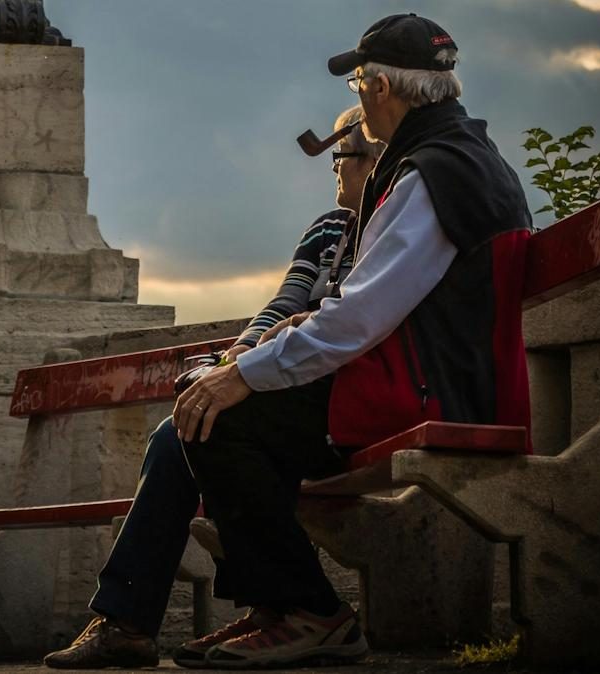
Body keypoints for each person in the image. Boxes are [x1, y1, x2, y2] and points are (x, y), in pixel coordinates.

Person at [173, 13, 533, 669]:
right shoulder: (454, 157)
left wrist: (242, 374)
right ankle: (277, 607)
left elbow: (360, 316)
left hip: (430, 392)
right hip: (440, 377)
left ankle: (311, 612)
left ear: (380, 89)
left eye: (359, 83)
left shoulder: (428, 173)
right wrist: (283, 340)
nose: (358, 98)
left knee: (219, 416)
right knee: (221, 408)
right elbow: (373, 299)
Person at [42, 109, 382, 669]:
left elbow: (345, 320)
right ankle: (127, 621)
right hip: (285, 392)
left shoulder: (388, 230)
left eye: (342, 157)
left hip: (328, 406)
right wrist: (234, 358)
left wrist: (248, 368)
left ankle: (289, 607)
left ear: (375, 162)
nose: (335, 169)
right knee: (179, 428)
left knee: (211, 425)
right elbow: (284, 304)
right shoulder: (328, 229)